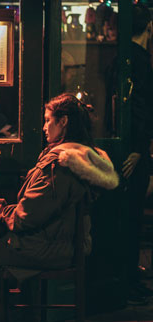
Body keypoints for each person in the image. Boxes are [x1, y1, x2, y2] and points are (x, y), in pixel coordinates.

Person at [0, 93, 119, 321]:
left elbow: (26, 217)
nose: (44, 127)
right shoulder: (86, 155)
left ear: (63, 122)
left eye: (47, 120)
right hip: (69, 244)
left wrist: (2, 213)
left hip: (48, 248)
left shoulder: (60, 163)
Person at [121, 3, 153, 305]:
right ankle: (127, 280)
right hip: (136, 151)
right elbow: (141, 110)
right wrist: (139, 149)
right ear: (150, 28)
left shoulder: (119, 58)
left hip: (127, 147)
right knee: (131, 217)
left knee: (126, 217)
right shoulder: (141, 60)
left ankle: (126, 277)